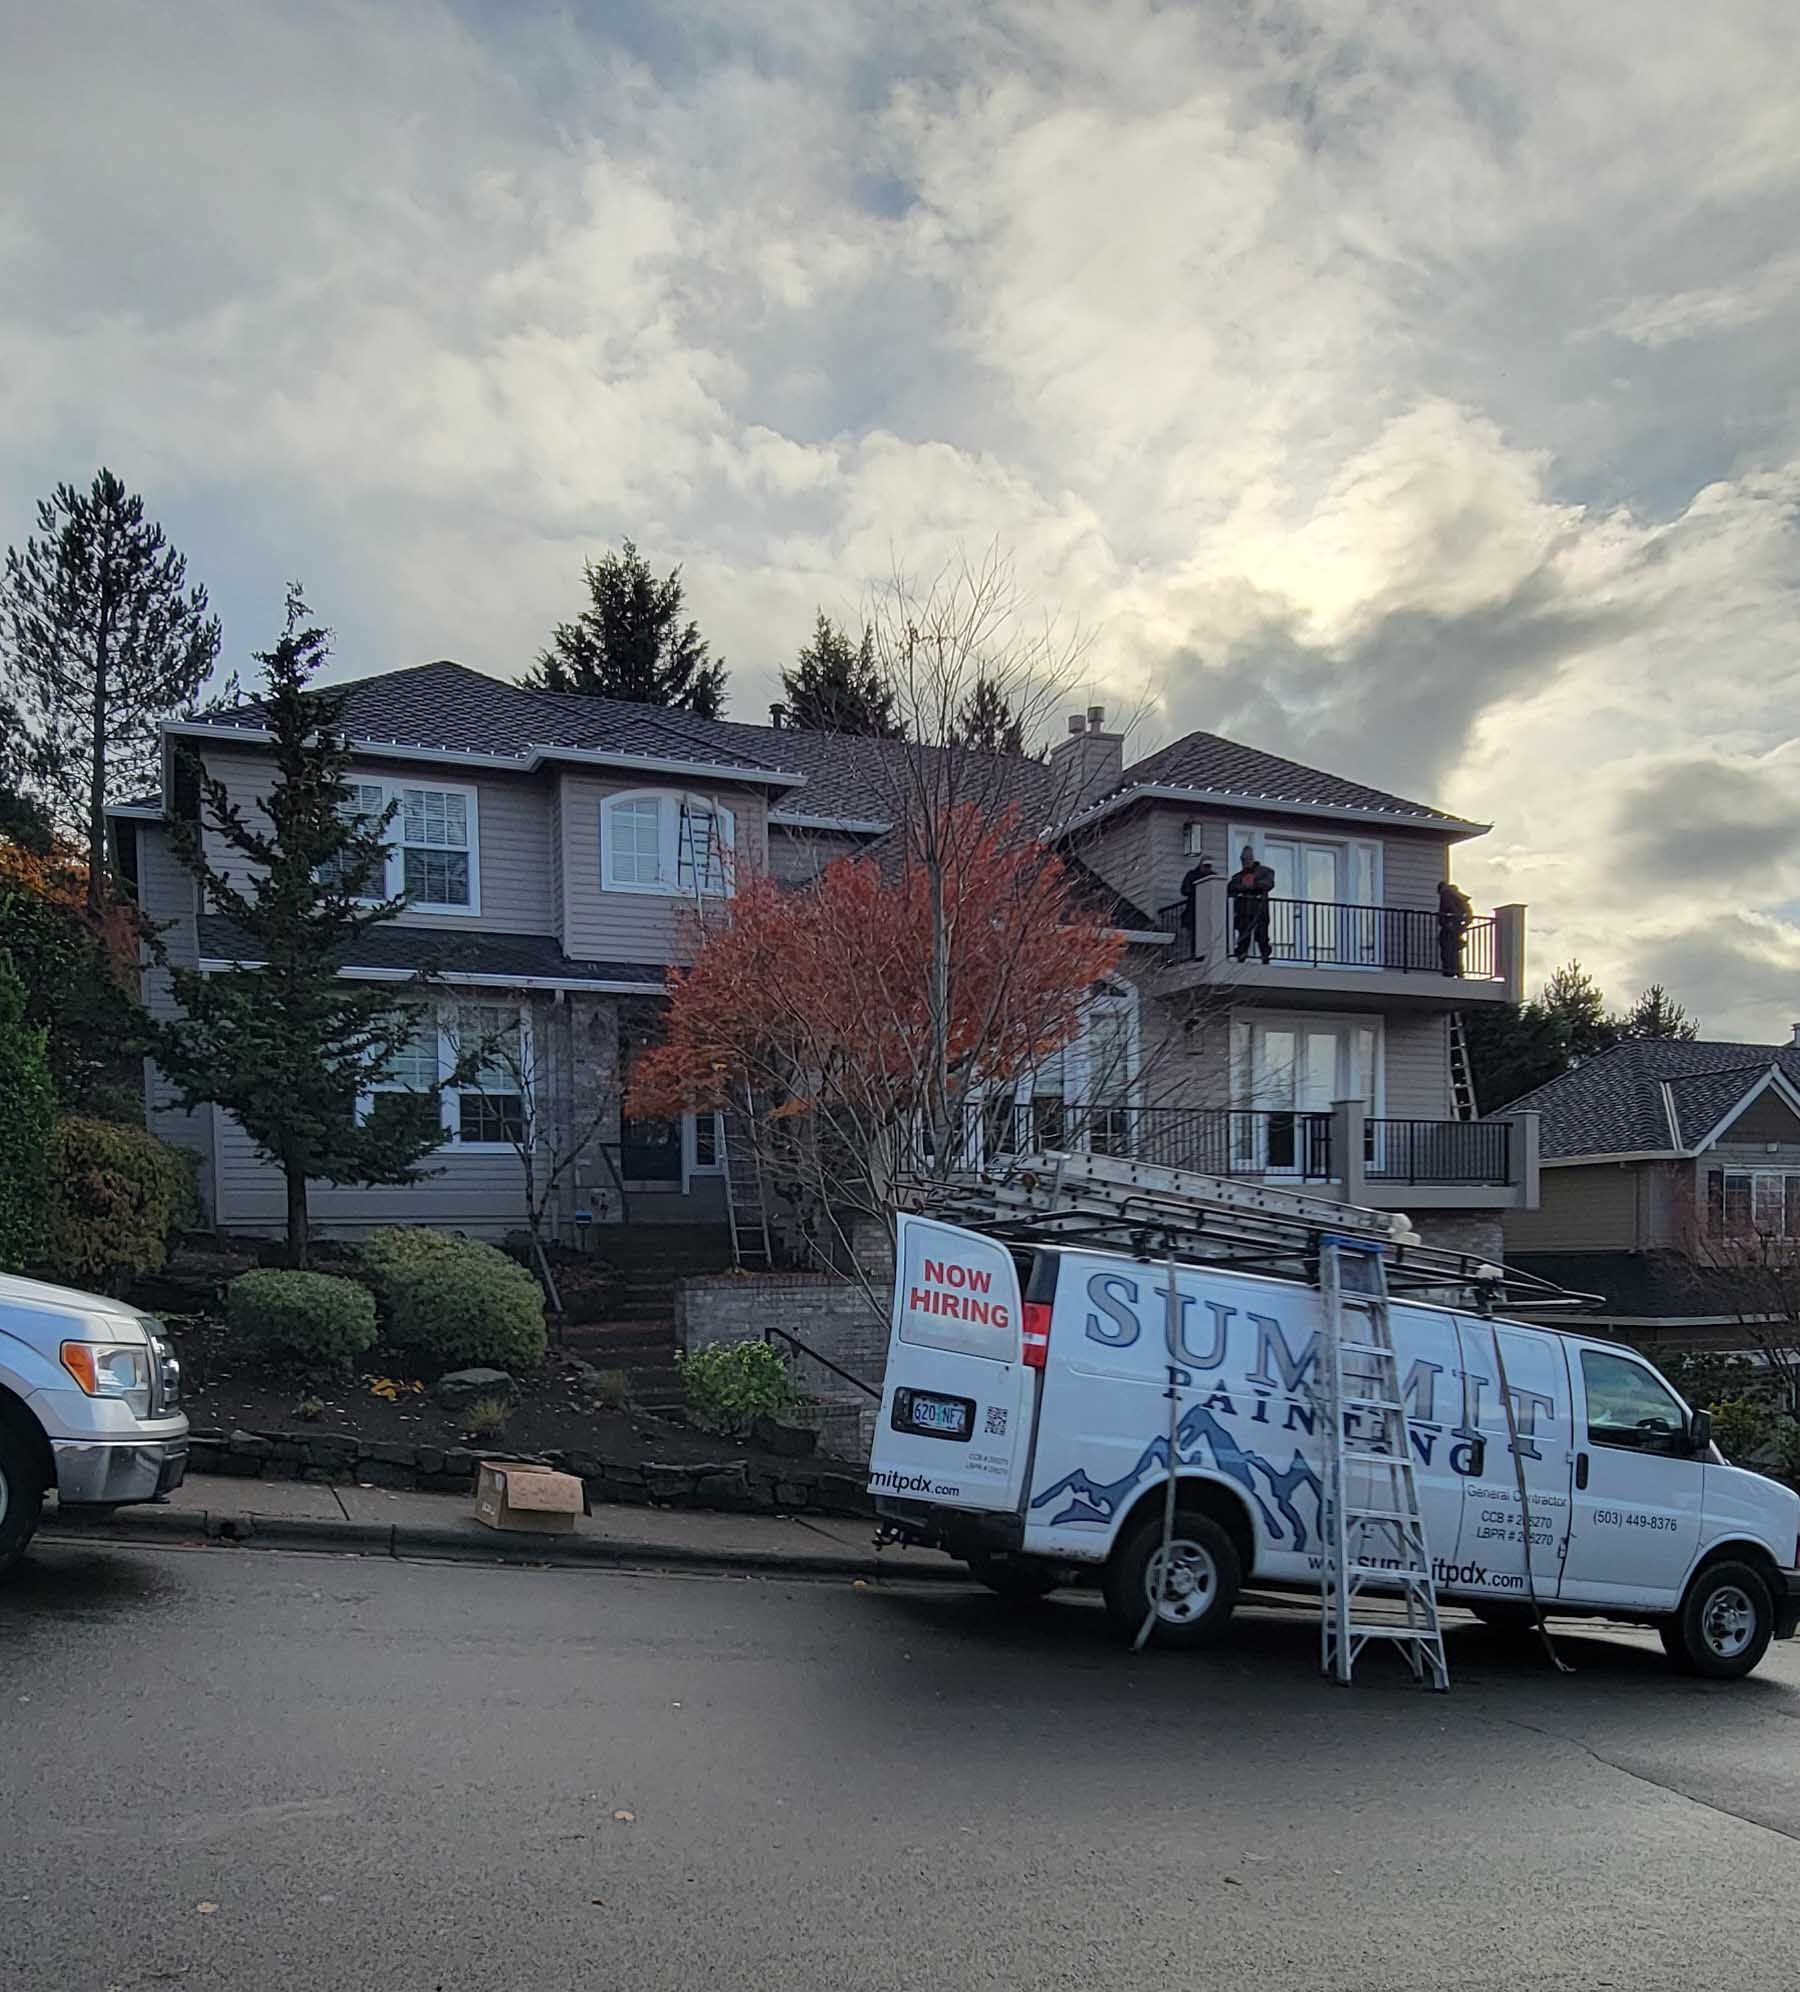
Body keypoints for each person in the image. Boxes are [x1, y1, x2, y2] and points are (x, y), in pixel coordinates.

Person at [1227, 844, 1275, 963]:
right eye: (1243, 860)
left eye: (1248, 859)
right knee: (1244, 936)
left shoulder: (1265, 872)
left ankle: (1265, 959)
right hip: (1244, 911)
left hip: (1260, 910)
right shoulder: (1238, 876)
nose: (1246, 862)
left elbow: (1268, 884)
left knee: (1262, 936)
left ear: (1253, 859)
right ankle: (1241, 957)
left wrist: (1253, 885)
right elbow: (1231, 887)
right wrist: (1245, 886)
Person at [1178, 854, 1216, 957]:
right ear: (1200, 865)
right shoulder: (1192, 875)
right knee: (1194, 935)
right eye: (1205, 866)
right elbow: (1184, 890)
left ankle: (1206, 955)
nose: (1207, 868)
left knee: (1208, 934)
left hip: (1208, 911)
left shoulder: (1213, 876)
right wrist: (1197, 890)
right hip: (1193, 910)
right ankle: (1195, 955)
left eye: (1209, 866)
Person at [1437, 876, 1473, 977]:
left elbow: (1446, 909)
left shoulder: (1445, 893)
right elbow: (1468, 912)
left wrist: (1445, 922)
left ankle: (1449, 972)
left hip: (1451, 927)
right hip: (1456, 926)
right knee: (1455, 951)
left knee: (1447, 950)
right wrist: (1465, 925)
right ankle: (1459, 972)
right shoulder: (1459, 896)